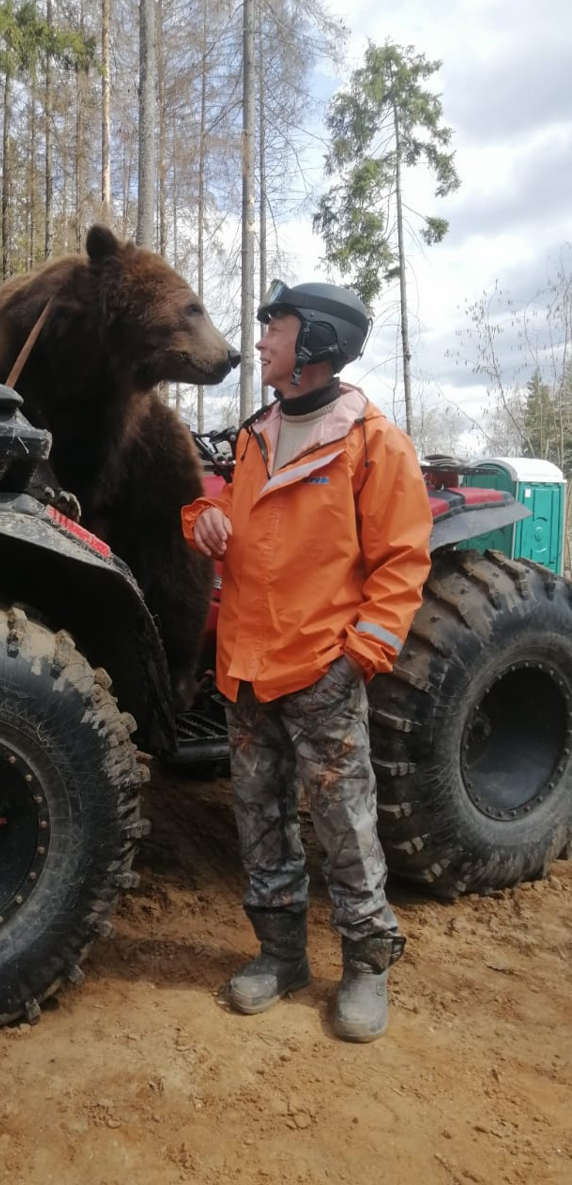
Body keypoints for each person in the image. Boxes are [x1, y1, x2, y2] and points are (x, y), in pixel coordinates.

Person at [181, 280, 432, 1042]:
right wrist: (204, 517)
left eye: (274, 327)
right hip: (246, 665)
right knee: (259, 819)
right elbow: (211, 505)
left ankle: (364, 963)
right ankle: (280, 954)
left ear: (315, 341)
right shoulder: (257, 432)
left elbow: (401, 559)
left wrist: (360, 654)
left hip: (322, 666)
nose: (259, 341)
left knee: (343, 822)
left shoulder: (369, 440)